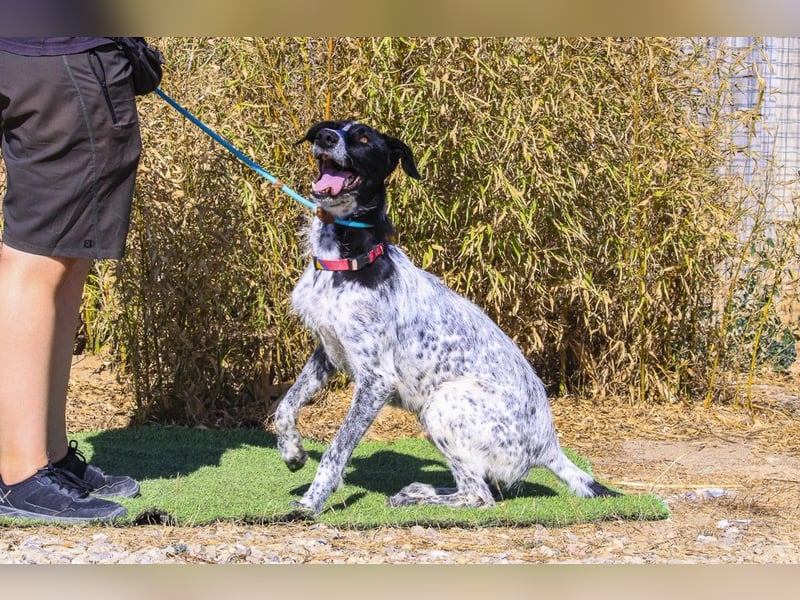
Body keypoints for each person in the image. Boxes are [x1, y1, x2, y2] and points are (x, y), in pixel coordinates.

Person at [0, 37, 142, 522]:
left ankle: (45, 454)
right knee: (37, 260)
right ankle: (19, 472)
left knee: (64, 258)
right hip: (50, 53)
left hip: (45, 53)